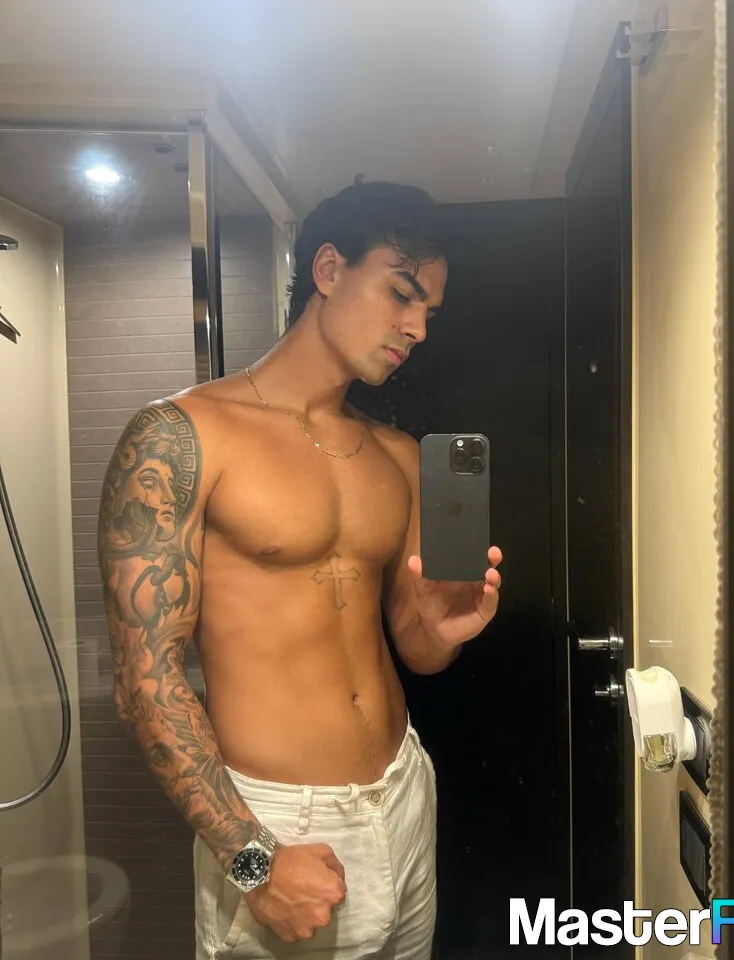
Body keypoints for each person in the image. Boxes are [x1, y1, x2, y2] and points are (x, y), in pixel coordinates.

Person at [97, 180, 503, 959]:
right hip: (273, 825)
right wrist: (252, 863)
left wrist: (444, 630)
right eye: (402, 293)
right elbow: (144, 682)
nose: (417, 327)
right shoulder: (182, 436)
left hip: (403, 795)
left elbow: (417, 651)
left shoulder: (396, 455)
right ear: (328, 269)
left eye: (430, 310)